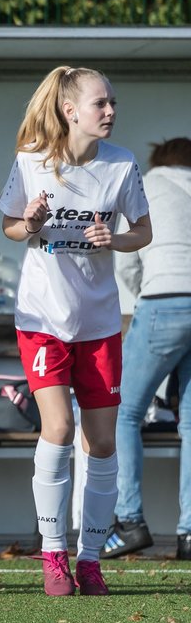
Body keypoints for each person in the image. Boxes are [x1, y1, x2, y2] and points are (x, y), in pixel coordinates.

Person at [0, 66, 151, 595]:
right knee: (58, 429)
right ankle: (53, 554)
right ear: (70, 111)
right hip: (43, 320)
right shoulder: (31, 162)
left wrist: (116, 238)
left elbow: (142, 233)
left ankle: (90, 558)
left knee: (102, 442)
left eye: (112, 103)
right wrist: (33, 224)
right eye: (100, 103)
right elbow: (11, 227)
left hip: (100, 323)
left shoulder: (122, 164)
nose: (109, 111)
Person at [106, 137, 191, 561]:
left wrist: (145, 294)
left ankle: (130, 522)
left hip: (164, 302)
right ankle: (189, 534)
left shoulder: (147, 183)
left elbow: (127, 256)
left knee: (125, 412)